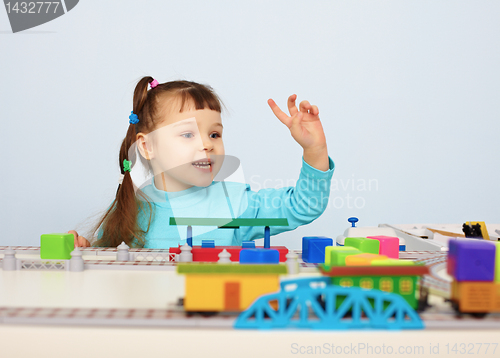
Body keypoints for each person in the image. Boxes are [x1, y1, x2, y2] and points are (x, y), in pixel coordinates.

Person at [69, 77, 334, 249]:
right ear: (147, 146)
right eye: (187, 134)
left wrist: (315, 149)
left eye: (214, 134)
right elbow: (104, 262)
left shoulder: (235, 204)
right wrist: (84, 249)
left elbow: (304, 205)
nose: (207, 144)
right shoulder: (129, 205)